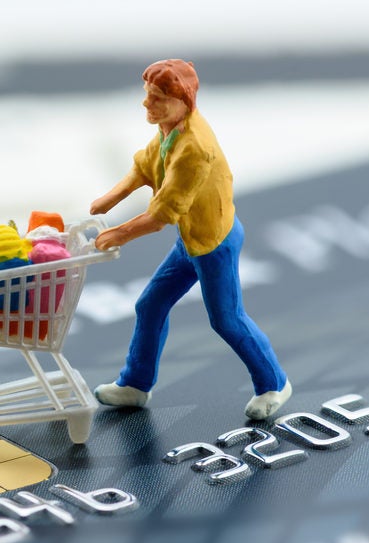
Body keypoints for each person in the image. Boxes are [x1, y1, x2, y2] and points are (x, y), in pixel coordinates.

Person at [91, 59, 291, 420]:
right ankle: (135, 384)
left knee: (227, 320)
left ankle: (274, 383)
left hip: (214, 244)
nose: (146, 104)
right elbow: (144, 166)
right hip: (191, 239)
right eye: (147, 95)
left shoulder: (194, 148)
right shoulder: (170, 129)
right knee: (150, 305)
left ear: (183, 100)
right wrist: (109, 199)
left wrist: (118, 233)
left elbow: (162, 214)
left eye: (157, 98)